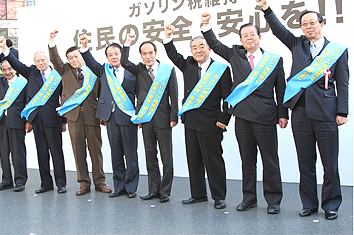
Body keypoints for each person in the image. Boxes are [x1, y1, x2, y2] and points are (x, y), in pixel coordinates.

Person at [256, 0, 349, 220]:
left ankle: (331, 205)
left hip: (327, 112)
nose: (308, 27)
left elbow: (343, 82)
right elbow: (279, 30)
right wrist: (266, 8)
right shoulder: (297, 44)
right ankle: (309, 203)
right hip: (300, 112)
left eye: (312, 22)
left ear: (321, 24)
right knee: (305, 162)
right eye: (304, 24)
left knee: (330, 163)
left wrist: (342, 111)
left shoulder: (337, 51)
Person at [200, 12, 288, 214]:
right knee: (247, 160)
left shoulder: (273, 60)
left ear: (259, 37)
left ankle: (273, 200)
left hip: (266, 116)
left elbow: (280, 89)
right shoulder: (235, 55)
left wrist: (283, 114)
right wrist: (206, 24)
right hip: (242, 117)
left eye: (252, 34)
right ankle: (249, 198)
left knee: (270, 160)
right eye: (245, 35)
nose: (249, 38)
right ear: (240, 40)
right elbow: (215, 42)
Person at [163, 25, 232, 209]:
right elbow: (173, 55)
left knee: (214, 161)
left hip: (212, 122)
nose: (198, 50)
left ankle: (219, 196)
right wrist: (168, 37)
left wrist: (224, 119)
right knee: (193, 160)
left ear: (209, 48)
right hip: (191, 121)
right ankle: (198, 194)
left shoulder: (221, 69)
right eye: (194, 48)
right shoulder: (189, 65)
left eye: (202, 46)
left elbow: (228, 98)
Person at [0, 36, 67, 194]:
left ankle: (61, 183)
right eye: (37, 60)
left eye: (42, 60)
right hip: (37, 120)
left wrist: (63, 121)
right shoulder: (31, 72)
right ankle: (46, 183)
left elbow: (63, 98)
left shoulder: (57, 75)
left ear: (47, 59)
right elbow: (16, 64)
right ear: (34, 62)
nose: (40, 63)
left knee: (56, 152)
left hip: (53, 119)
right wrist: (4, 49)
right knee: (41, 152)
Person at [49, 29, 112, 196]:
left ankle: (100, 182)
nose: (73, 60)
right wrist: (52, 41)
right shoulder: (64, 70)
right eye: (70, 58)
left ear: (82, 56)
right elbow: (55, 59)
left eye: (76, 56)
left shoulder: (94, 71)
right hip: (74, 117)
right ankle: (84, 183)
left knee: (95, 151)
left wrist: (104, 115)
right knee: (79, 151)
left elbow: (102, 94)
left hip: (92, 115)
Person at [120, 34, 179, 203]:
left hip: (164, 118)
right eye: (144, 53)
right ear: (141, 56)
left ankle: (165, 191)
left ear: (156, 52)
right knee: (150, 155)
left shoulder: (167, 70)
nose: (148, 56)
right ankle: (154, 189)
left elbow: (174, 95)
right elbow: (124, 62)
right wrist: (127, 43)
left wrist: (173, 116)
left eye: (151, 52)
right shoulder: (139, 69)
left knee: (167, 157)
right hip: (145, 119)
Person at [79, 34, 139, 198]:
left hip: (128, 117)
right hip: (110, 118)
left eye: (116, 53)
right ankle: (119, 186)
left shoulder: (133, 71)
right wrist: (84, 45)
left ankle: (131, 187)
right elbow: (90, 62)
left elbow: (140, 94)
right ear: (106, 57)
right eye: (110, 54)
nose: (113, 57)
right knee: (116, 154)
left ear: (122, 55)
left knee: (130, 154)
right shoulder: (104, 70)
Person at [0, 52, 30, 192]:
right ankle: (6, 180)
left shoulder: (23, 83)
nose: (7, 72)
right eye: (4, 69)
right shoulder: (0, 82)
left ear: (15, 68)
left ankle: (20, 180)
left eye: (10, 69)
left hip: (17, 122)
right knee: (4, 152)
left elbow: (27, 103)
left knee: (18, 153)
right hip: (2, 122)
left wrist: (28, 121)